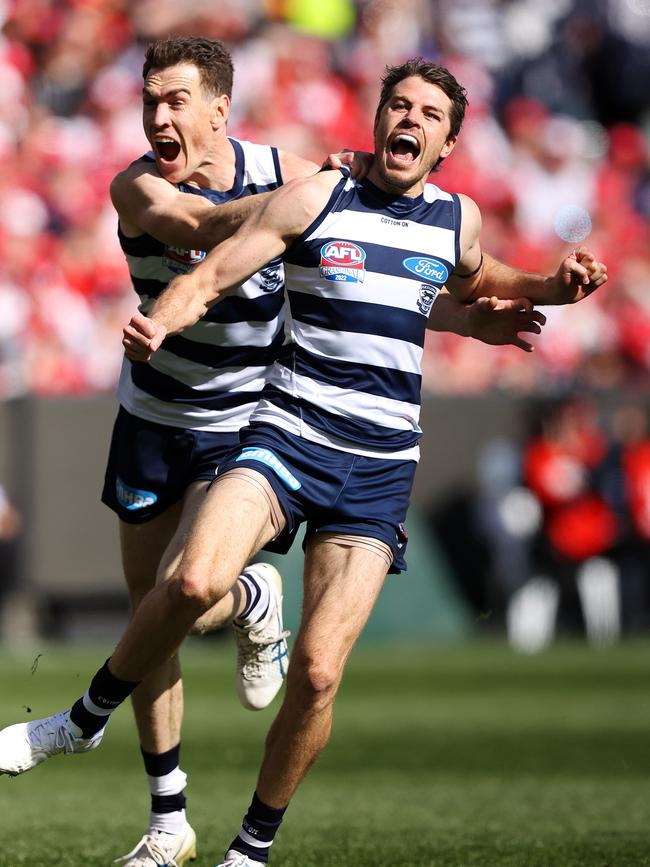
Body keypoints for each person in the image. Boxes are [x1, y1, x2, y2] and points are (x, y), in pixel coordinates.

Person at [0, 57, 606, 866]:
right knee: (185, 583)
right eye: (398, 104)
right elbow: (211, 265)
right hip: (284, 433)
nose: (410, 120)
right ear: (378, 114)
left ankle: (248, 851)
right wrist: (164, 320)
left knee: (318, 675)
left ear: (448, 143)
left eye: (428, 113)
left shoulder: (453, 220)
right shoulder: (317, 193)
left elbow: (477, 280)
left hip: (379, 465)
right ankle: (81, 721)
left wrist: (552, 289)